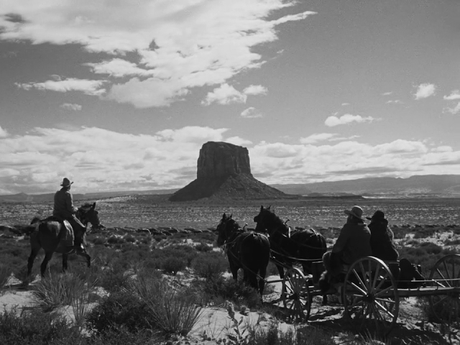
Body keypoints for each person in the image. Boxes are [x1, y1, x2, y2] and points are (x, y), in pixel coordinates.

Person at [320, 205, 372, 293]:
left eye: (349, 216)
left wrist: (333, 252)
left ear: (352, 217)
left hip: (351, 259)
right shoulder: (366, 229)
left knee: (327, 257)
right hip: (366, 258)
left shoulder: (349, 228)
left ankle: (334, 278)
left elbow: (339, 246)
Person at [53, 178, 86, 252]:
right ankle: (78, 245)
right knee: (82, 227)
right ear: (68, 186)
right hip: (66, 215)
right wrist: (76, 209)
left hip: (56, 214)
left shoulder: (57, 193)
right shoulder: (68, 194)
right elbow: (70, 208)